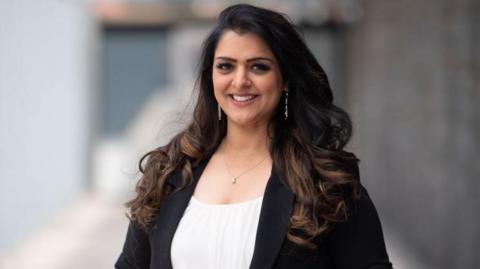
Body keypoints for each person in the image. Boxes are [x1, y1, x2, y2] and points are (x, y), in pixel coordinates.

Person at [115, 3, 392, 269]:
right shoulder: (170, 170)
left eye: (258, 66)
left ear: (285, 80)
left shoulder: (325, 179)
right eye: (226, 66)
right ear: (210, 77)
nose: (240, 81)